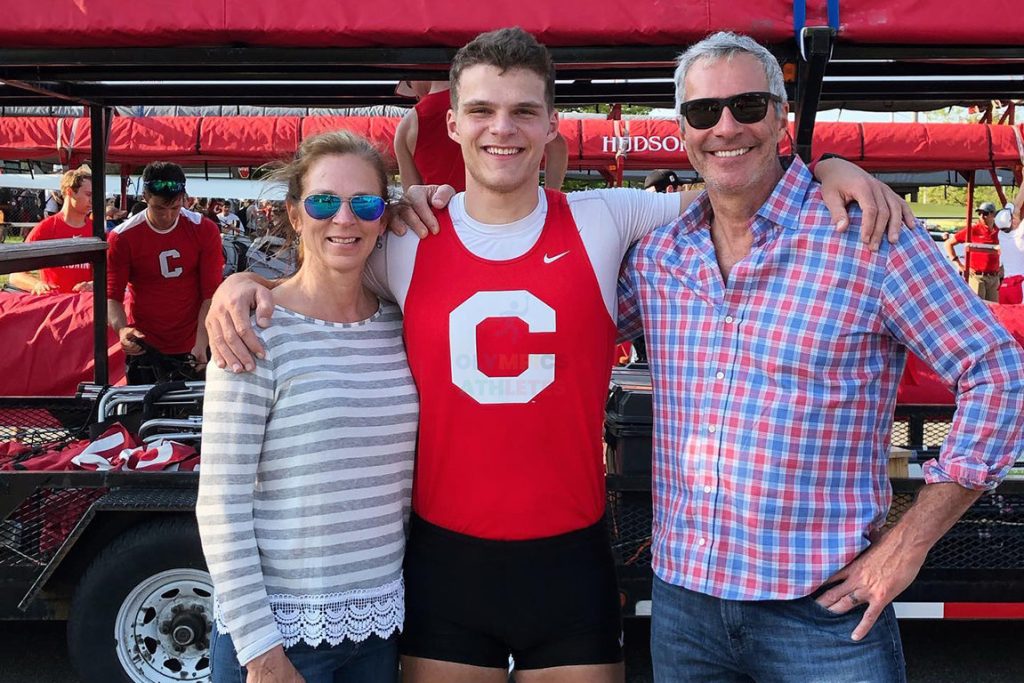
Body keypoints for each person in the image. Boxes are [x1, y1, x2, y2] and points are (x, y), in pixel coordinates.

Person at [207, 27, 912, 683]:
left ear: (551, 124)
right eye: (481, 109)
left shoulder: (607, 217)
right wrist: (242, 286)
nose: (502, 128)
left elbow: (737, 182)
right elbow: (321, 276)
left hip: (569, 561)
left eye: (523, 110)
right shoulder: (405, 237)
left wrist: (828, 168)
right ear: (452, 123)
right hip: (445, 566)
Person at [616, 31, 1024, 682]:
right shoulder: (660, 254)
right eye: (703, 112)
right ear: (683, 130)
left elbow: (997, 371)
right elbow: (556, 313)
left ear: (780, 116)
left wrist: (906, 547)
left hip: (823, 612)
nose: (726, 126)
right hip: (684, 604)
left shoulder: (867, 235)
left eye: (748, 106)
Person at [197, 131, 415, 683]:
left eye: (364, 203)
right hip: (283, 638)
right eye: (323, 201)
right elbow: (220, 505)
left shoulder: (401, 324)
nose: (344, 218)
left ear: (383, 217)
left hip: (381, 627)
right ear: (295, 215)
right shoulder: (253, 330)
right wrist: (261, 651)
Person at [107, 161, 224, 384]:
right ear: (146, 197)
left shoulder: (204, 229)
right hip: (146, 345)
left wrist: (201, 343)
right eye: (159, 208)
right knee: (144, 413)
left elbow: (211, 294)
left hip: (194, 341)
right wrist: (122, 330)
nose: (168, 216)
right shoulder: (123, 237)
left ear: (184, 200)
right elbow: (112, 295)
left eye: (175, 208)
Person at [394, 79, 569, 192]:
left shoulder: (408, 125)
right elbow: (557, 146)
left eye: (409, 84)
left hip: (442, 225)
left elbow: (413, 195)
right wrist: (551, 194)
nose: (415, 94)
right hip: (510, 215)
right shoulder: (493, 101)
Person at [9, 166, 95, 295]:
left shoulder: (96, 230)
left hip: (85, 306)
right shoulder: (46, 228)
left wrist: (94, 284)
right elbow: (15, 275)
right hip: (55, 305)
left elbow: (112, 273)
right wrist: (37, 284)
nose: (92, 200)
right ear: (70, 192)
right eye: (88, 194)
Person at [946, 200, 1002, 301]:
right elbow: (948, 243)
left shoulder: (999, 231)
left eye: (985, 213)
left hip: (994, 277)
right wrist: (959, 264)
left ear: (993, 214)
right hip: (976, 276)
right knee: (978, 307)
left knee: (994, 310)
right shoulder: (973, 230)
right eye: (979, 213)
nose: (981, 216)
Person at [995, 190, 1024, 304]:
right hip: (1019, 286)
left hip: (1005, 287)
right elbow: (1016, 207)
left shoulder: (1001, 234)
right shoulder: (1020, 233)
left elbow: (1016, 206)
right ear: (1013, 221)